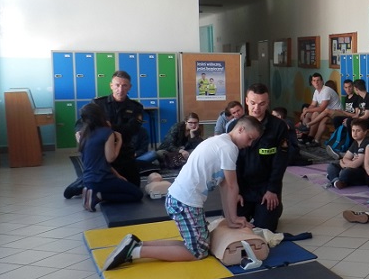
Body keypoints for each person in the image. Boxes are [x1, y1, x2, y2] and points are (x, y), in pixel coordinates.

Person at [101, 116, 263, 270]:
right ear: (240, 129)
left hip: (182, 199)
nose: (249, 144)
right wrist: (233, 218)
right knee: (198, 251)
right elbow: (233, 186)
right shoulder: (229, 148)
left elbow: (225, 186)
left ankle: (137, 244)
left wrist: (231, 219)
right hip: (185, 202)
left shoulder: (220, 141)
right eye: (249, 138)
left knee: (197, 244)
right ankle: (135, 252)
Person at [227, 83, 289, 231]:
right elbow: (231, 163)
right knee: (233, 224)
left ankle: (275, 209)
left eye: (262, 104)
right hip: (242, 186)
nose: (256, 108)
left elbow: (280, 162)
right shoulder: (234, 126)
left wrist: (272, 189)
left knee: (264, 228)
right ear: (246, 101)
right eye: (253, 103)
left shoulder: (278, 127)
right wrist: (235, 192)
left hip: (265, 187)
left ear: (268, 103)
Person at [82, 70, 145, 186]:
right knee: (101, 184)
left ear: (130, 87)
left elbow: (132, 130)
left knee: (135, 187)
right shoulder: (98, 104)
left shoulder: (136, 107)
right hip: (102, 153)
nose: (120, 89)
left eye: (124, 85)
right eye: (117, 85)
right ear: (111, 85)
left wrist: (107, 127)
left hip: (125, 152)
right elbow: (84, 122)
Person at [78, 102, 143, 211]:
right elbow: (110, 158)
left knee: (124, 186)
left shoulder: (84, 134)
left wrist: (117, 175)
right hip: (102, 179)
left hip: (88, 179)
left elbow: (100, 161)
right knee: (137, 194)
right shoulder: (106, 132)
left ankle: (92, 192)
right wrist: (119, 140)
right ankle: (99, 196)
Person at [326, 118, 369, 189]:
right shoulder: (356, 142)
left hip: (365, 172)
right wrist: (348, 162)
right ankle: (337, 181)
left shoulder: (367, 142)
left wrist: (343, 164)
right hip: (353, 167)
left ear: (365, 132)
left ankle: (335, 177)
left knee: (346, 172)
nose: (355, 133)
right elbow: (346, 157)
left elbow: (355, 165)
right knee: (332, 165)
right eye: (353, 130)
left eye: (358, 131)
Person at [300, 73, 342, 144]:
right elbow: (313, 105)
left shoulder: (326, 90)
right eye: (314, 81)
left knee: (316, 114)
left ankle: (311, 137)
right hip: (325, 113)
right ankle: (305, 135)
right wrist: (306, 111)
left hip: (335, 113)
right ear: (312, 82)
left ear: (322, 81)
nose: (316, 82)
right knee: (308, 114)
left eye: (318, 80)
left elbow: (321, 108)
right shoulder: (316, 91)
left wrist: (307, 110)